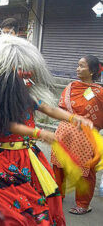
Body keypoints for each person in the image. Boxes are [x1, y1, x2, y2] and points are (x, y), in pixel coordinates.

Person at [0, 35, 92, 225]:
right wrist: (39, 133)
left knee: (39, 206)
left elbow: (48, 108)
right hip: (5, 159)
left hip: (30, 156)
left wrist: (74, 118)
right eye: (21, 70)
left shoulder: (27, 95)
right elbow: (6, 124)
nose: (27, 74)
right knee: (14, 213)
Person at [51, 55, 103, 215]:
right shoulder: (70, 87)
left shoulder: (99, 92)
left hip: (86, 138)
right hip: (64, 133)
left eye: (81, 66)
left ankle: (83, 203)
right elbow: (60, 109)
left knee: (85, 170)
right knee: (58, 166)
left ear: (93, 71)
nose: (77, 69)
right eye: (77, 65)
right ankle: (57, 195)